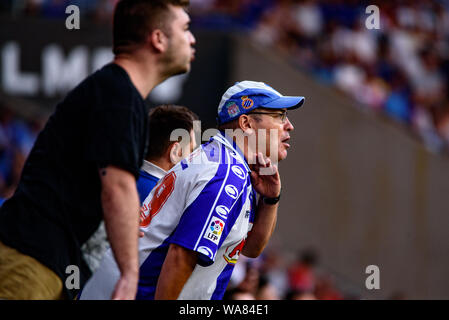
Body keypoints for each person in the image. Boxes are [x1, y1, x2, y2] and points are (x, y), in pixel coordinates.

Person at [0, 0, 195, 300]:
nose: (192, 38)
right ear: (158, 38)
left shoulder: (121, 96)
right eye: (184, 28)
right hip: (28, 260)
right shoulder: (118, 94)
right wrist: (130, 274)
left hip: (42, 262)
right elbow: (116, 187)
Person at [79, 80, 305, 300]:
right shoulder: (225, 174)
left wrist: (271, 200)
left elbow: (250, 249)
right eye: (279, 116)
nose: (289, 125)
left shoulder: (232, 167)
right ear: (246, 124)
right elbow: (180, 257)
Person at [82, 105, 199, 273]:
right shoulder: (168, 199)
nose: (195, 158)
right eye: (192, 150)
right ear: (175, 151)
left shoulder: (110, 179)